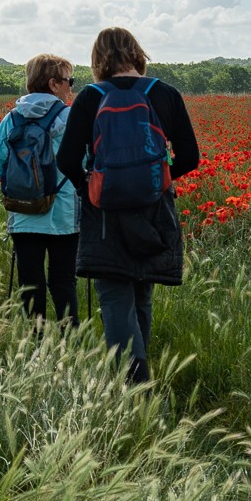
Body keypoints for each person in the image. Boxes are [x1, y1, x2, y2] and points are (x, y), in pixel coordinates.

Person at [57, 27, 200, 385]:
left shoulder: (90, 98)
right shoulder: (165, 94)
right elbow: (191, 157)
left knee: (114, 293)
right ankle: (139, 376)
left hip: (105, 211)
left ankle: (134, 384)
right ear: (137, 53)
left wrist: (89, 186)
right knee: (141, 289)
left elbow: (66, 159)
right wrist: (158, 180)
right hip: (155, 208)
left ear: (98, 60)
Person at [0, 53, 81, 328]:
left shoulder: (13, 119)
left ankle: (36, 345)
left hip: (23, 212)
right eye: (68, 80)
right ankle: (70, 343)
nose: (71, 87)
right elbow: (88, 164)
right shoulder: (72, 118)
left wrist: (23, 179)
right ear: (53, 84)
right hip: (63, 214)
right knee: (63, 282)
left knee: (30, 283)